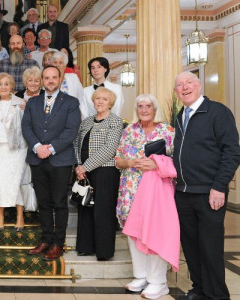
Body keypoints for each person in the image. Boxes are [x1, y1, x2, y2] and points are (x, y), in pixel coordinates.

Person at [173, 71, 240, 300]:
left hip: (209, 192)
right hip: (182, 192)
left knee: (210, 249)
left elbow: (232, 152)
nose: (185, 87)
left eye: (189, 82)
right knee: (191, 248)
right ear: (176, 91)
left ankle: (217, 295)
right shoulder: (180, 115)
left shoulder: (218, 112)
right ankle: (200, 289)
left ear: (199, 85)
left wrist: (219, 186)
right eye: (180, 85)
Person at [115, 94, 176, 299]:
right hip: (131, 188)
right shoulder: (129, 130)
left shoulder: (167, 130)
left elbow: (177, 159)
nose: (144, 110)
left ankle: (157, 280)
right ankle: (140, 276)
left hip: (157, 190)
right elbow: (118, 160)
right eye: (140, 106)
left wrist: (156, 164)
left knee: (155, 230)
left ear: (154, 108)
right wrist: (132, 163)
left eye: (148, 106)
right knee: (133, 231)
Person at [22, 65, 80, 261]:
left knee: (59, 203)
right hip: (37, 159)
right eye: (46, 78)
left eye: (54, 77)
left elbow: (71, 130)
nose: (50, 81)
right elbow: (26, 127)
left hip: (61, 160)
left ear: (60, 79)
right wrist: (38, 147)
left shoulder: (71, 102)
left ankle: (58, 244)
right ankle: (46, 240)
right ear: (42, 80)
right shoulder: (32, 102)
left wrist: (50, 148)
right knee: (43, 203)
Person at [73, 87, 123, 261]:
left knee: (103, 211)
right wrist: (79, 166)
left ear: (111, 103)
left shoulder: (115, 122)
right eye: (97, 99)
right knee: (85, 208)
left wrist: (85, 166)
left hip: (105, 172)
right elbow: (77, 144)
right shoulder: (86, 121)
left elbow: (110, 149)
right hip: (84, 172)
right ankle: (85, 247)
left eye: (104, 99)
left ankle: (104, 251)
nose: (100, 102)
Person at [0, 73, 32, 231]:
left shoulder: (21, 103)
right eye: (0, 84)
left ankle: (19, 216)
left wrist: (28, 108)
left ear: (11, 87)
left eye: (6, 84)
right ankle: (0, 216)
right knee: (1, 182)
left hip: (17, 149)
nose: (3, 87)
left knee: (16, 182)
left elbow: (28, 125)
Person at [50, 51, 86, 117]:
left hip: (71, 115)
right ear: (51, 64)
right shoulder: (47, 79)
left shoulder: (73, 77)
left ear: (65, 65)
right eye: (55, 62)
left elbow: (81, 97)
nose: (57, 65)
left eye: (60, 62)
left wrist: (80, 114)